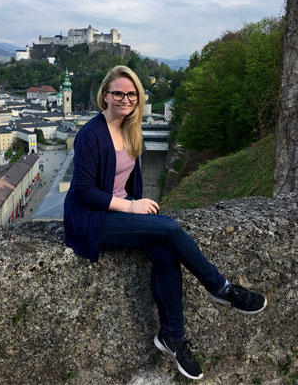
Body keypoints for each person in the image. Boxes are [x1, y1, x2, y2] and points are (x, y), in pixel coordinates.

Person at [63, 65, 265, 381]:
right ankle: (221, 288)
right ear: (105, 96)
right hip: (91, 220)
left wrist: (131, 207)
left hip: (118, 213)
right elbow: (84, 191)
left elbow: (127, 181)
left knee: (167, 253)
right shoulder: (90, 134)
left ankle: (172, 336)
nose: (125, 99)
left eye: (132, 94)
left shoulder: (131, 128)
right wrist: (131, 207)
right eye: (118, 93)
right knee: (169, 227)